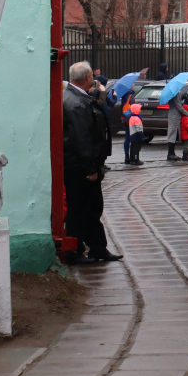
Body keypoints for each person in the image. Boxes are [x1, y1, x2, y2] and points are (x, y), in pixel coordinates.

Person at [62, 61, 122, 264]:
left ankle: (97, 248)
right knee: (82, 209)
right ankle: (75, 251)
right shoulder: (77, 102)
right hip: (81, 167)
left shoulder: (75, 97)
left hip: (80, 164)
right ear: (88, 77)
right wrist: (90, 168)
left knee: (90, 208)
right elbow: (82, 138)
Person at [165, 90, 188, 162]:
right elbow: (179, 106)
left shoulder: (172, 92)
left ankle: (172, 153)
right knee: (172, 133)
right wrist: (187, 113)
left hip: (173, 114)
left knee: (173, 134)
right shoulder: (175, 93)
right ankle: (170, 154)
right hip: (175, 115)